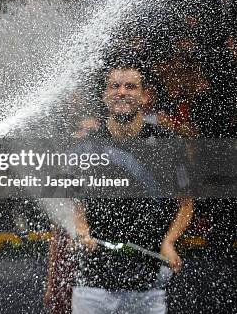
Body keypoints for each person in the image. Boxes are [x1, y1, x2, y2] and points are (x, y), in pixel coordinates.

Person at [70, 62, 193, 314]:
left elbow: (186, 203)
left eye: (131, 86)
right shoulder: (86, 146)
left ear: (145, 95)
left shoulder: (167, 144)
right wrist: (82, 229)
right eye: (115, 86)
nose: (122, 92)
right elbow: (75, 199)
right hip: (93, 286)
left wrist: (169, 242)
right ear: (105, 96)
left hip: (149, 288)